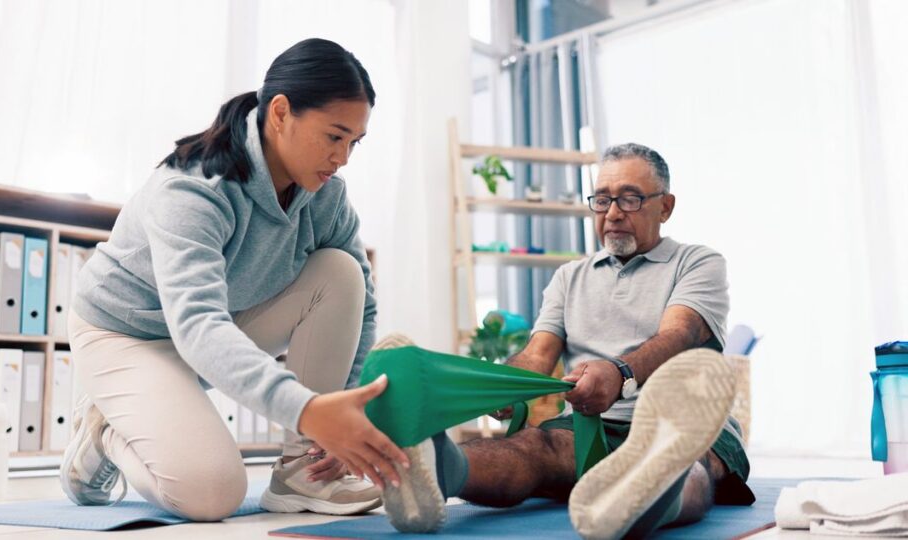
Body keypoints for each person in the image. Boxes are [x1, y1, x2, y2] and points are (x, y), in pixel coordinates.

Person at [59, 38, 410, 522]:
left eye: (354, 141)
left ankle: (302, 472)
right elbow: (198, 325)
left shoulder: (327, 197)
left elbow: (363, 304)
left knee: (343, 272)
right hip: (126, 334)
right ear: (281, 112)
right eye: (334, 136)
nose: (344, 157)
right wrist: (309, 410)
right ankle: (106, 428)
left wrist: (341, 412)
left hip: (212, 328)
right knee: (211, 495)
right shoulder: (193, 188)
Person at [380, 143, 755, 538]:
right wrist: (502, 388)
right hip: (590, 426)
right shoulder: (569, 277)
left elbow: (680, 334)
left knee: (686, 461)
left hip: (681, 423)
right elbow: (537, 355)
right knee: (532, 448)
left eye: (629, 199)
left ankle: (645, 499)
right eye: (603, 200)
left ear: (665, 206)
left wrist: (618, 373)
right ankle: (432, 467)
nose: (612, 213)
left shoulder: (697, 262)